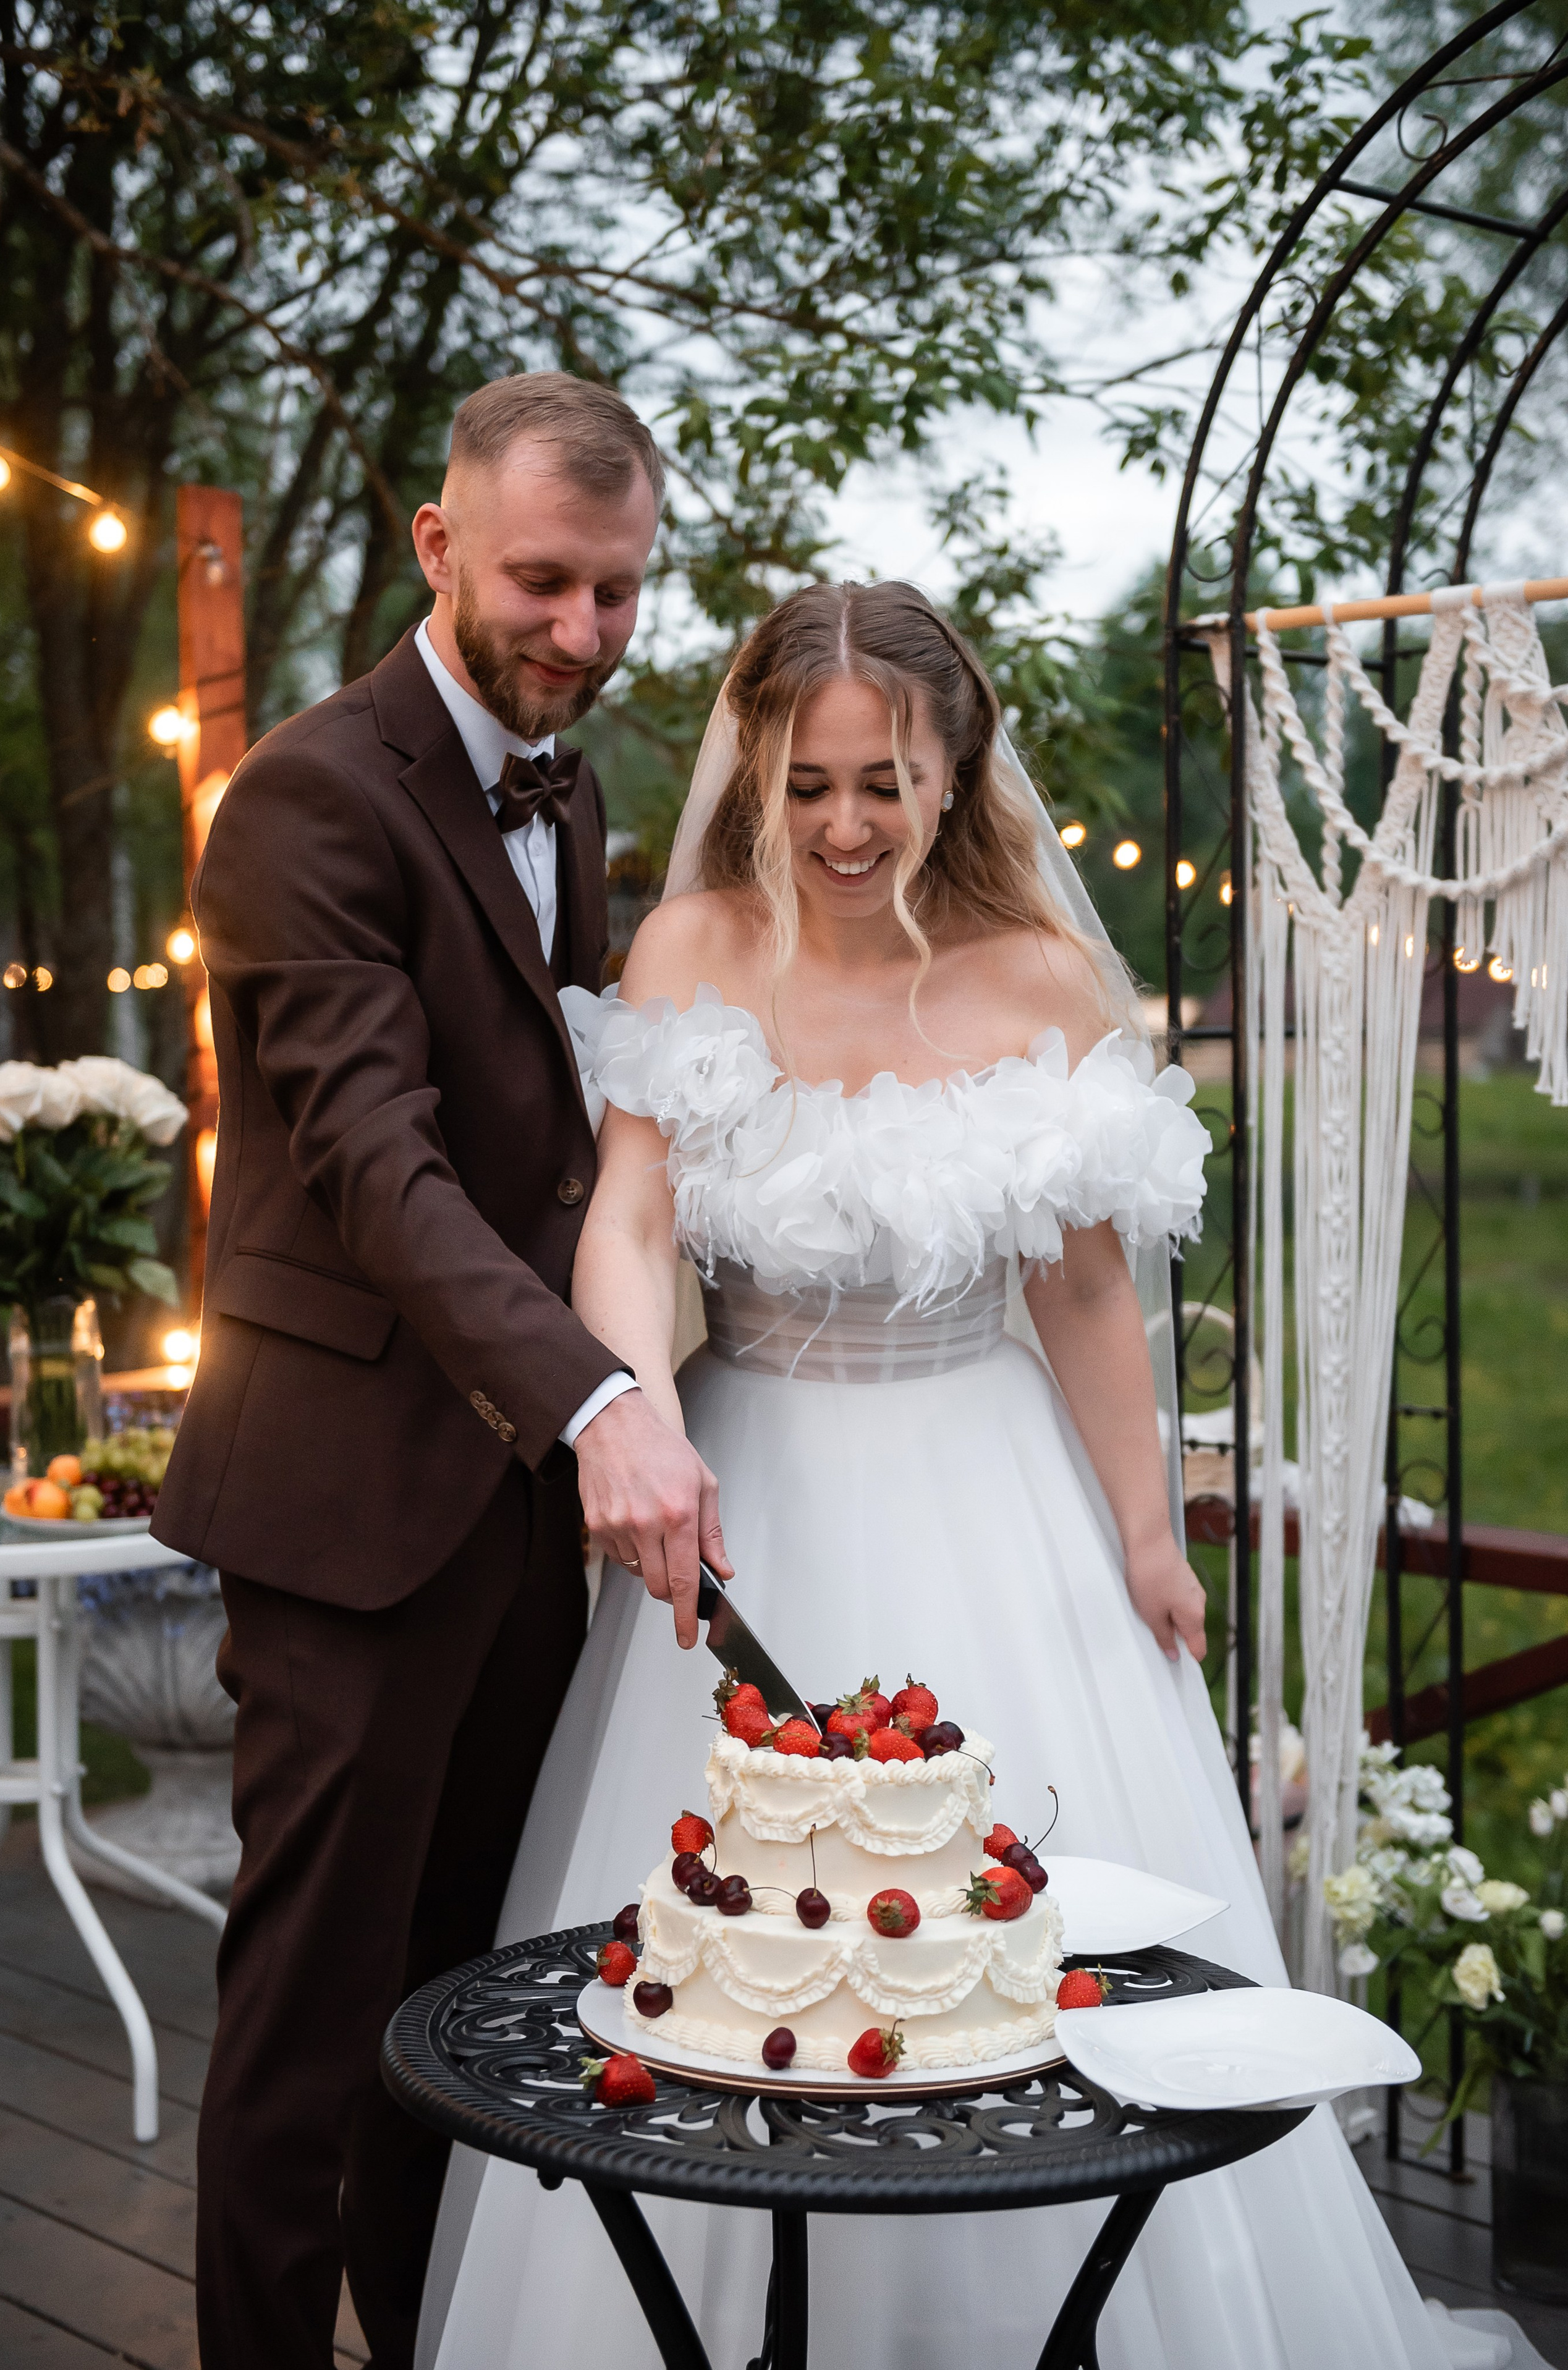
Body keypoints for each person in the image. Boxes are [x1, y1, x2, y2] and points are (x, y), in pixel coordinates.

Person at [420, 582, 1535, 2370]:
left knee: (1027, 1959)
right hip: (746, 1488)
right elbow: (628, 1214)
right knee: (741, 1954)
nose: (847, 826)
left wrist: (1146, 1535)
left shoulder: (1042, 979)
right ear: (757, 775)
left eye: (888, 780)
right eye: (808, 785)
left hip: (992, 1487)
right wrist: (635, 1415)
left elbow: (1088, 1288)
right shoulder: (691, 949)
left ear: (957, 770)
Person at [153, 372, 727, 2370]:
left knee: (467, 2015)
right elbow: (380, 1168)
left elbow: (564, 1141)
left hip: (511, 1522)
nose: (582, 632)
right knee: (310, 2031)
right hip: (346, 1507)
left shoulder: (568, 791)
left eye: (623, 593)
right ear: (437, 545)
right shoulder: (310, 795)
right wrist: (597, 1399)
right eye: (545, 583)